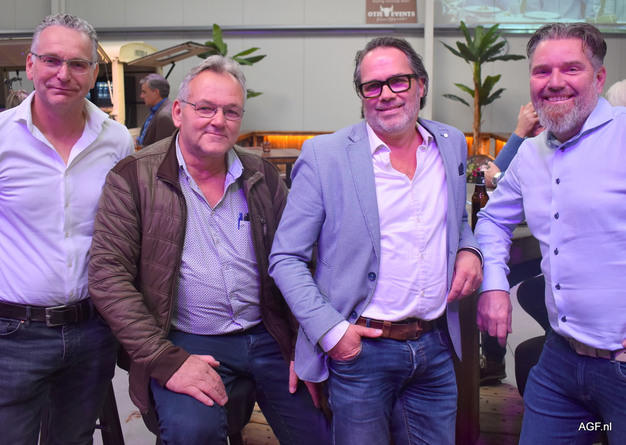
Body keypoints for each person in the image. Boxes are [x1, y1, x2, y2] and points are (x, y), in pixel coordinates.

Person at [88, 55, 329, 445]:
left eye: (231, 111)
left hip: (268, 333)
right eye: (205, 108)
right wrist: (162, 358)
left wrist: (305, 342)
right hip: (185, 337)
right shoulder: (134, 177)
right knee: (192, 431)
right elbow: (107, 276)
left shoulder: (262, 177)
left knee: (321, 427)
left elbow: (301, 261)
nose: (219, 120)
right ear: (178, 112)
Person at [269, 36, 483, 445]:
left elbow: (457, 219)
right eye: (372, 86)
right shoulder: (325, 156)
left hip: (435, 345)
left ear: (420, 84)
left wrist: (470, 249)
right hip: (361, 352)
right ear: (362, 94)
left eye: (398, 81)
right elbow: (286, 258)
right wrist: (332, 332)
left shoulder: (451, 143)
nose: (386, 94)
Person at [475, 22, 626, 444]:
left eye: (571, 69)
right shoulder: (530, 155)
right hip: (559, 363)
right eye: (542, 71)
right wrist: (493, 285)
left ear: (599, 77)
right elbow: (492, 220)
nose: (554, 82)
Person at [0, 13, 134, 444]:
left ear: (94, 73)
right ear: (31, 64)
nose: (64, 74)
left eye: (78, 64)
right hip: (12, 333)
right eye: (52, 60)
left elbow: (126, 232)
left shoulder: (116, 141)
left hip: (91, 329)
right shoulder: (2, 139)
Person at [479, 102, 543, 385]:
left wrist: (519, 132)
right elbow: (492, 175)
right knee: (495, 279)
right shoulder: (536, 150)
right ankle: (493, 359)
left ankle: (493, 359)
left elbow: (495, 175)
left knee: (509, 281)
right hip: (532, 244)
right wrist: (520, 133)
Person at [136, 73, 176, 148]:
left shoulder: (164, 116)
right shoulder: (156, 110)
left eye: (144, 92)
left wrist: (140, 149)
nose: (141, 96)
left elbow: (162, 150)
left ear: (156, 92)